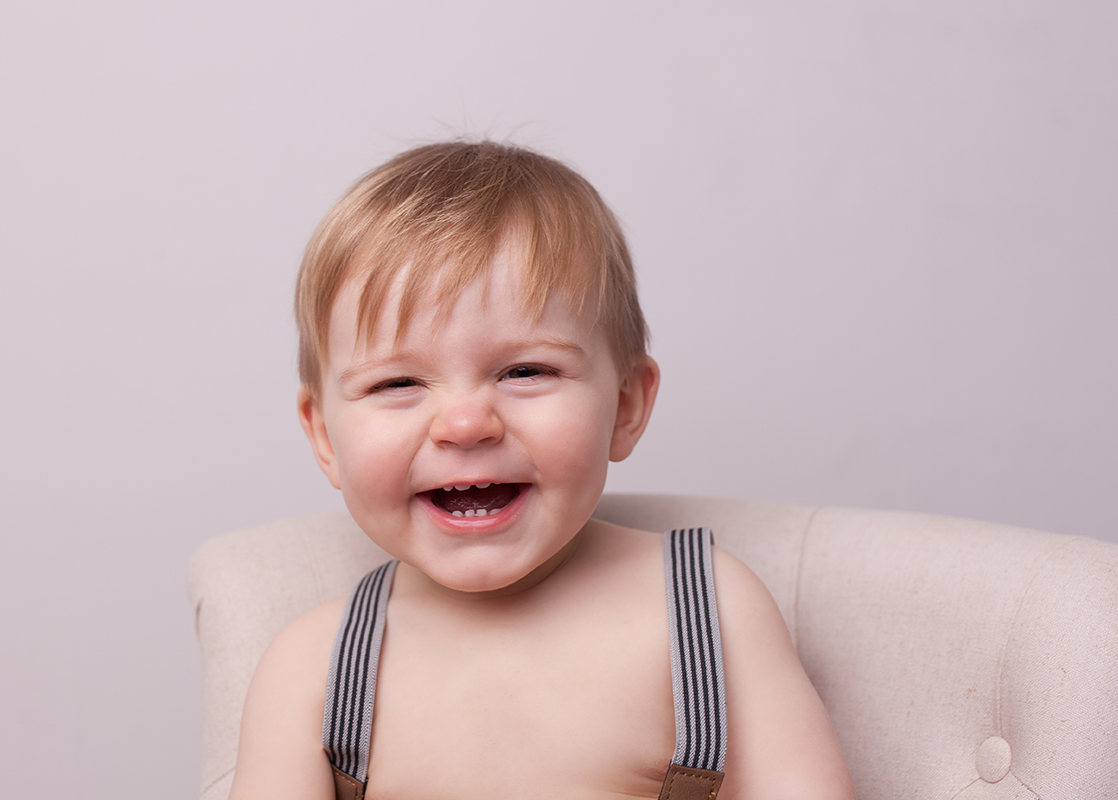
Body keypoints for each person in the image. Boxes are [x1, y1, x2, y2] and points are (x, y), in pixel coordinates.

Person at [230, 141, 855, 800]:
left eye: (525, 371)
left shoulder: (705, 612)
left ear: (625, 405)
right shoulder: (315, 673)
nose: (465, 424)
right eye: (398, 383)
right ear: (325, 436)